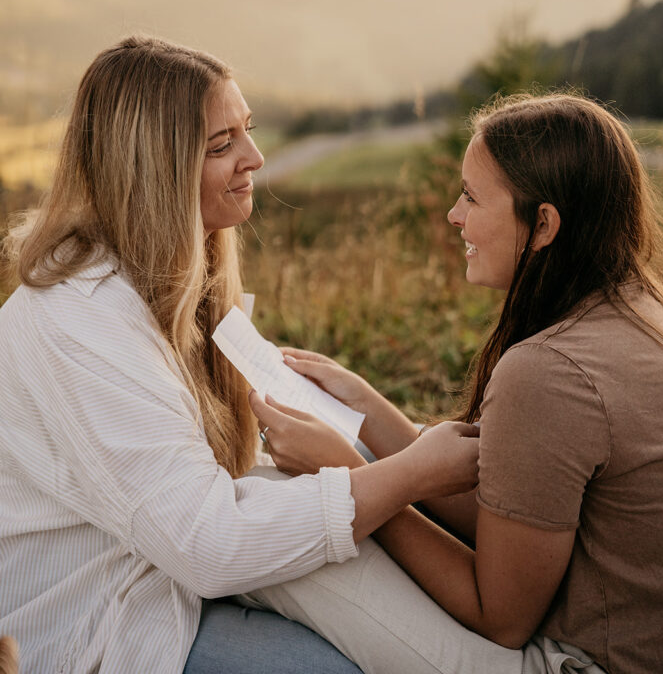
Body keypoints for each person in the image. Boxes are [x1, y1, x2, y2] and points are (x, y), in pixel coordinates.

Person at [0, 35, 483, 674]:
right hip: (107, 615)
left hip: (165, 568)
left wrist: (361, 433)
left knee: (348, 478)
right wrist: (409, 473)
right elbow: (209, 544)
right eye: (221, 145)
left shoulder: (171, 272)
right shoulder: (79, 320)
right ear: (150, 169)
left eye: (247, 131)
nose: (254, 157)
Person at [246, 92, 663, 674]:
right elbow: (527, 515)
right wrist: (375, 415)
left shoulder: (551, 372)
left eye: (472, 197)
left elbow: (499, 619)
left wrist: (359, 483)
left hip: (578, 661)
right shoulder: (645, 312)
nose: (454, 214)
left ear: (544, 223)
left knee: (286, 528)